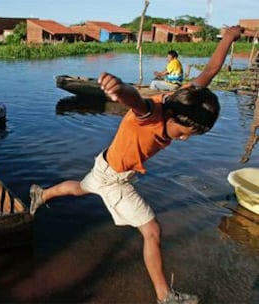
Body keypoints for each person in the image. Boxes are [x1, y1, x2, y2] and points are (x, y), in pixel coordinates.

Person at [29, 26, 243, 304]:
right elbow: (136, 101)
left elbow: (210, 71)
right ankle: (164, 296)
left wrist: (227, 37)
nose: (186, 138)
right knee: (152, 231)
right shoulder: (151, 114)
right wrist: (119, 89)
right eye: (183, 133)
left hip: (106, 166)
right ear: (171, 116)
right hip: (113, 178)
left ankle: (41, 194)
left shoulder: (184, 99)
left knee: (82, 187)